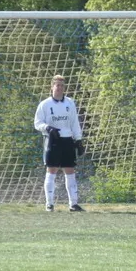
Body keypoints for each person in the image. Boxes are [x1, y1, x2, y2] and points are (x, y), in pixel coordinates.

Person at [34, 75, 85, 212]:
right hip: (53, 140)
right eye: (57, 85)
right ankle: (49, 204)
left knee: (70, 170)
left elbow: (74, 122)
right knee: (52, 170)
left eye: (62, 85)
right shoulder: (44, 104)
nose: (60, 88)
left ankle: (73, 204)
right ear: (52, 87)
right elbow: (37, 123)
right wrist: (48, 128)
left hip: (67, 140)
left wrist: (78, 140)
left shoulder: (70, 103)